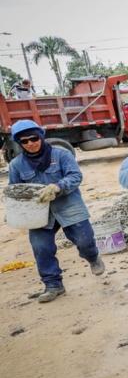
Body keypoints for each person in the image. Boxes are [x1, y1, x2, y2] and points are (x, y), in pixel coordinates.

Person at [8, 120, 105, 303]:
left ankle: (93, 257)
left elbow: (75, 176)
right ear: (19, 144)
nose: (30, 143)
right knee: (41, 248)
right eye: (24, 141)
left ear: (41, 136)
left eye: (33, 138)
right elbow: (14, 190)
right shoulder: (16, 165)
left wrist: (58, 187)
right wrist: (16, 209)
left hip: (69, 205)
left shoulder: (61, 155)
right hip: (38, 213)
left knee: (85, 241)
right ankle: (53, 285)